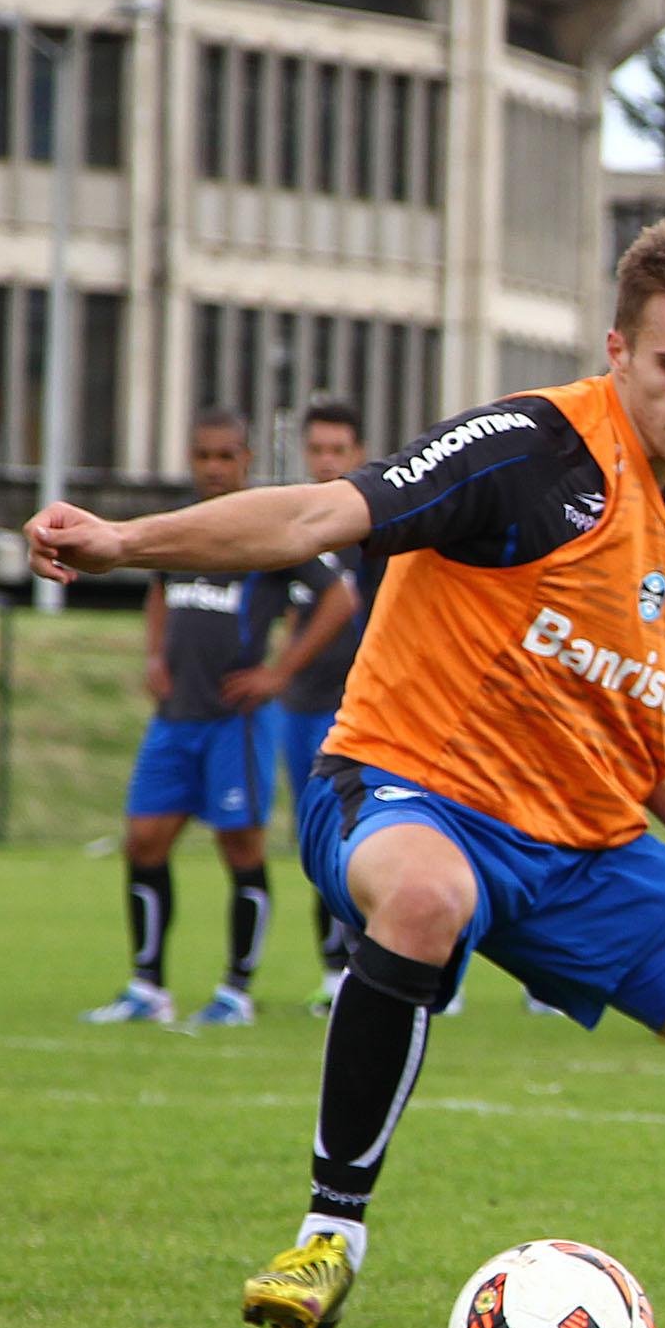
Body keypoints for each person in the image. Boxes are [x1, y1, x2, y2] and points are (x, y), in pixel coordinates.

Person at [27, 219, 665, 1328]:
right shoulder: (528, 447)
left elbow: (651, 742)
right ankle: (327, 1236)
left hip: (582, 849)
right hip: (400, 787)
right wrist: (127, 540)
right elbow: (320, 513)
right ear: (617, 348)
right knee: (425, 898)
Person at [83, 409, 355, 1029]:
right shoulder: (180, 529)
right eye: (203, 456)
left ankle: (236, 990)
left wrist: (281, 673)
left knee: (242, 847)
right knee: (145, 841)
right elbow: (156, 586)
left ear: (246, 461)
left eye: (225, 457)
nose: (213, 468)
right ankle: (147, 987)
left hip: (237, 719)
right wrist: (154, 652)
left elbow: (339, 596)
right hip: (175, 718)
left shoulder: (263, 530)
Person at [279, 398, 377, 1016]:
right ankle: (334, 969)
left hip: (362, 711)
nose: (325, 461)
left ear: (358, 456)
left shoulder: (377, 530)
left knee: (369, 843)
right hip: (302, 708)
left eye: (337, 450)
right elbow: (293, 609)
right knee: (318, 842)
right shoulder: (295, 529)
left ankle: (386, 967)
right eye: (316, 450)